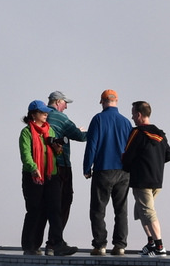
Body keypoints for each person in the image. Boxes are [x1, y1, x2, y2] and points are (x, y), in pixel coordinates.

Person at [82, 90, 134, 256]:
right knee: (121, 210)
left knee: (98, 209)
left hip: (103, 169)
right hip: (124, 171)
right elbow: (131, 148)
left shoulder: (98, 119)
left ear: (102, 102)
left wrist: (86, 167)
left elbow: (92, 145)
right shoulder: (126, 122)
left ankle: (100, 245)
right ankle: (120, 246)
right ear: (116, 101)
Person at [122, 101, 170, 256]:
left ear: (139, 114)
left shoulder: (137, 133)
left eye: (133, 114)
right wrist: (154, 162)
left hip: (141, 179)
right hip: (157, 179)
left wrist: (129, 164)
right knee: (141, 210)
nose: (132, 117)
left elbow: (127, 157)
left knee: (148, 212)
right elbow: (169, 155)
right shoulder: (160, 134)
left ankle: (159, 246)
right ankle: (151, 243)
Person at [19, 100, 66, 256]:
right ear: (34, 114)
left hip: (51, 175)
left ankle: (57, 244)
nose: (46, 114)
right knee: (35, 211)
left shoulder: (49, 130)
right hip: (33, 177)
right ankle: (30, 246)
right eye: (42, 112)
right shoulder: (26, 133)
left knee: (55, 210)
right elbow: (25, 154)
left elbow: (54, 152)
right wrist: (33, 168)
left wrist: (58, 150)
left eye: (46, 112)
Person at [46, 91, 87, 241]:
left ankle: (34, 244)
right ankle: (55, 241)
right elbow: (80, 136)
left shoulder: (43, 116)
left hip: (44, 165)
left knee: (45, 203)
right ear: (57, 102)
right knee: (64, 200)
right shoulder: (60, 117)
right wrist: (91, 133)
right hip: (61, 165)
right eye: (65, 103)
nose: (66, 107)